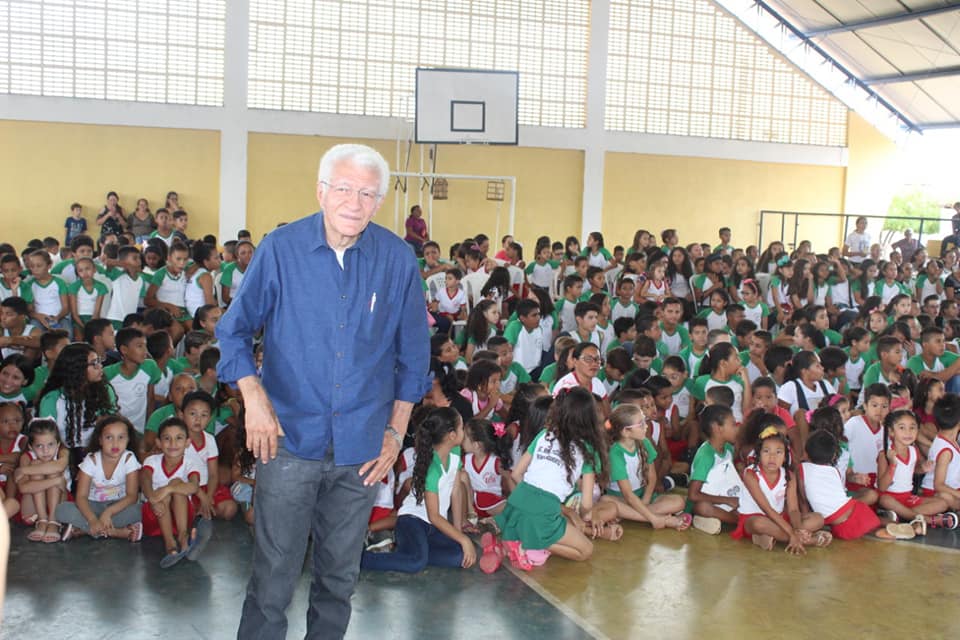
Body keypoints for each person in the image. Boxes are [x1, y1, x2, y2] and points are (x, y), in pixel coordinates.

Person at [217, 144, 430, 639]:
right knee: (273, 579)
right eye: (343, 189)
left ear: (379, 202)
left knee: (339, 579)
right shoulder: (280, 249)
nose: (354, 202)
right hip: (288, 441)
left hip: (362, 450)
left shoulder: (397, 260)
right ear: (321, 191)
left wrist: (396, 433)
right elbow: (233, 331)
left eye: (366, 193)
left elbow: (414, 358)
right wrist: (254, 400)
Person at [361, 407, 475, 573]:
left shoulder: (455, 452)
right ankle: (360, 559)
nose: (463, 431)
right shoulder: (432, 469)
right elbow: (434, 516)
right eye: (461, 427)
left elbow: (456, 492)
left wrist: (458, 535)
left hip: (434, 528)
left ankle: (408, 551)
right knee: (416, 563)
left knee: (460, 555)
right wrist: (464, 540)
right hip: (412, 521)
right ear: (451, 435)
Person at [732, 426, 830, 552]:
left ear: (785, 456)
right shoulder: (750, 474)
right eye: (766, 451)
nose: (772, 457)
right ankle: (809, 540)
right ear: (759, 454)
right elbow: (766, 509)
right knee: (759, 524)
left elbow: (794, 510)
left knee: (818, 519)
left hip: (780, 518)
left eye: (778, 452)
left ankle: (771, 538)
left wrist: (798, 529)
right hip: (754, 518)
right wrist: (792, 533)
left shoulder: (789, 476)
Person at [56, 415, 143, 542]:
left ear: (128, 439)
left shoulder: (129, 459)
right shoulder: (91, 461)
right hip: (92, 506)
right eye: (109, 437)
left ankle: (82, 530)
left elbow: (131, 496)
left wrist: (108, 512)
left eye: (121, 437)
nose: (115, 443)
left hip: (118, 506)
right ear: (100, 440)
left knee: (138, 511)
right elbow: (81, 497)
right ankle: (116, 532)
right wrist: (92, 519)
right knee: (62, 509)